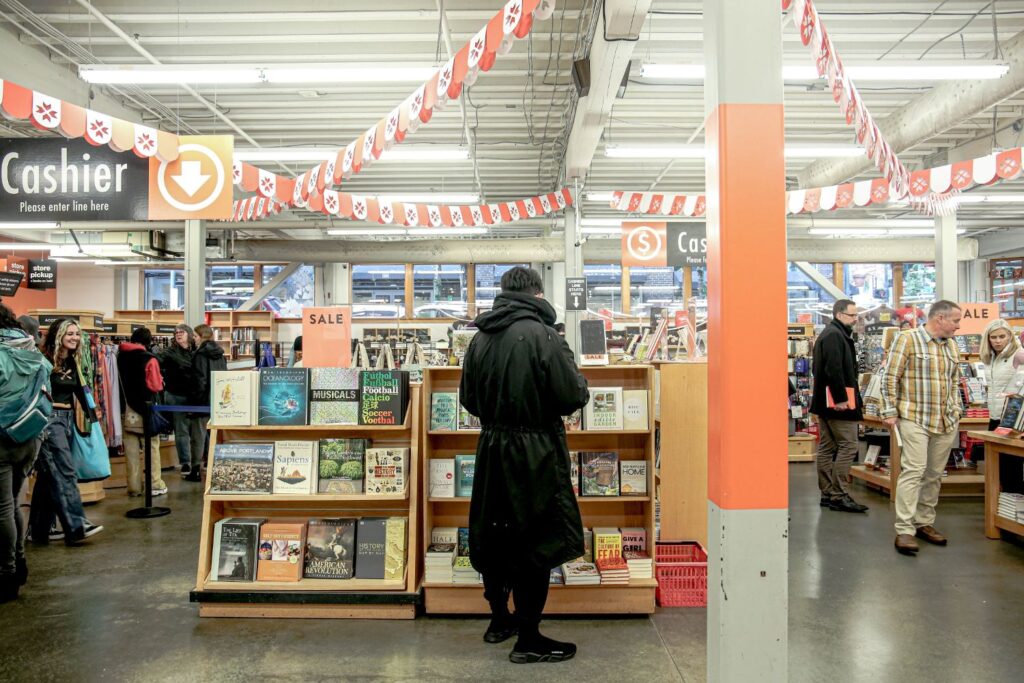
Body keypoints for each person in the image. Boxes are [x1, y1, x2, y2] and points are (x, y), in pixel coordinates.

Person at [459, 266, 589, 664]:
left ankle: (500, 620)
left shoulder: (479, 339)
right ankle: (529, 637)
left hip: (493, 447)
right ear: (537, 294)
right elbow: (572, 395)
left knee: (495, 533)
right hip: (534, 450)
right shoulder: (545, 336)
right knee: (536, 540)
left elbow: (469, 400)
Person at [879, 300, 963, 556]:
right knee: (914, 470)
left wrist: (956, 408)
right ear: (939, 318)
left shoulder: (951, 346)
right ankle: (904, 529)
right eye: (956, 321)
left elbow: (955, 380)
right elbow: (890, 377)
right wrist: (889, 411)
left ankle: (924, 522)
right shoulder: (907, 340)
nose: (958, 327)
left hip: (945, 419)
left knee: (934, 474)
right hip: (914, 417)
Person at [30, 319, 103, 546]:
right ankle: (76, 525)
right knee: (65, 472)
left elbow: (81, 391)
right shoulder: (43, 361)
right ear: (58, 335)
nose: (74, 337)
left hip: (67, 421)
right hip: (49, 422)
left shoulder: (72, 361)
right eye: (69, 333)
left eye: (76, 334)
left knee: (48, 477)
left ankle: (39, 531)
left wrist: (94, 419)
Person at [0, 305, 47, 601]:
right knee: (13, 503)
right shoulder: (33, 350)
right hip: (30, 435)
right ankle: (19, 562)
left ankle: (7, 573)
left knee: (3, 507)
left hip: (3, 436)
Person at [810, 299, 868, 513]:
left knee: (827, 447)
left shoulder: (829, 334)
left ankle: (827, 492)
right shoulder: (835, 335)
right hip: (838, 402)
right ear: (839, 314)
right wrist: (841, 398)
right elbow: (833, 369)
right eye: (852, 315)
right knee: (848, 445)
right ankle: (838, 494)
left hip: (825, 402)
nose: (855, 319)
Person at [118, 327, 168, 497]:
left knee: (131, 449)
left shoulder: (119, 357)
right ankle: (154, 484)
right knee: (151, 447)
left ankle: (133, 487)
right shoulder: (149, 359)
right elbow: (155, 385)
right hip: (145, 409)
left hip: (125, 408)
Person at [159, 324, 205, 478]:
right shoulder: (169, 352)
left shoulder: (196, 351)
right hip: (176, 394)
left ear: (189, 334)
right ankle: (185, 462)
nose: (178, 334)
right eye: (176, 332)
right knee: (182, 430)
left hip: (195, 396)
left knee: (197, 430)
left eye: (182, 332)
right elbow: (157, 362)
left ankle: (198, 463)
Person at [190, 324, 227, 481]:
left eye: (195, 335)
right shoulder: (220, 355)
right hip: (219, 400)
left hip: (203, 401)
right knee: (216, 435)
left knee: (198, 436)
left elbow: (200, 381)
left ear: (202, 336)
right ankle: (219, 467)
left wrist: (195, 402)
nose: (193, 338)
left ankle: (196, 469)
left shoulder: (200, 355)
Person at [981, 319, 1022, 431]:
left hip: (1013, 417)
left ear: (1009, 336)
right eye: (993, 337)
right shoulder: (989, 357)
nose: (997, 341)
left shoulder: (1019, 354)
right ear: (988, 339)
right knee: (992, 447)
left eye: (1002, 336)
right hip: (994, 416)